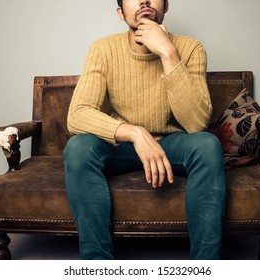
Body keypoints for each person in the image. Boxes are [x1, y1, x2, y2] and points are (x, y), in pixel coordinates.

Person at [63, 0, 227, 260]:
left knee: (207, 144)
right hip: (122, 147)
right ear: (120, 12)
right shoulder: (103, 48)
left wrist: (168, 53)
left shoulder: (190, 48)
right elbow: (78, 115)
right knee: (78, 147)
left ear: (166, 6)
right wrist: (136, 133)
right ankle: (97, 266)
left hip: (173, 145)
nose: (144, 0)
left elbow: (196, 125)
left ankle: (205, 267)